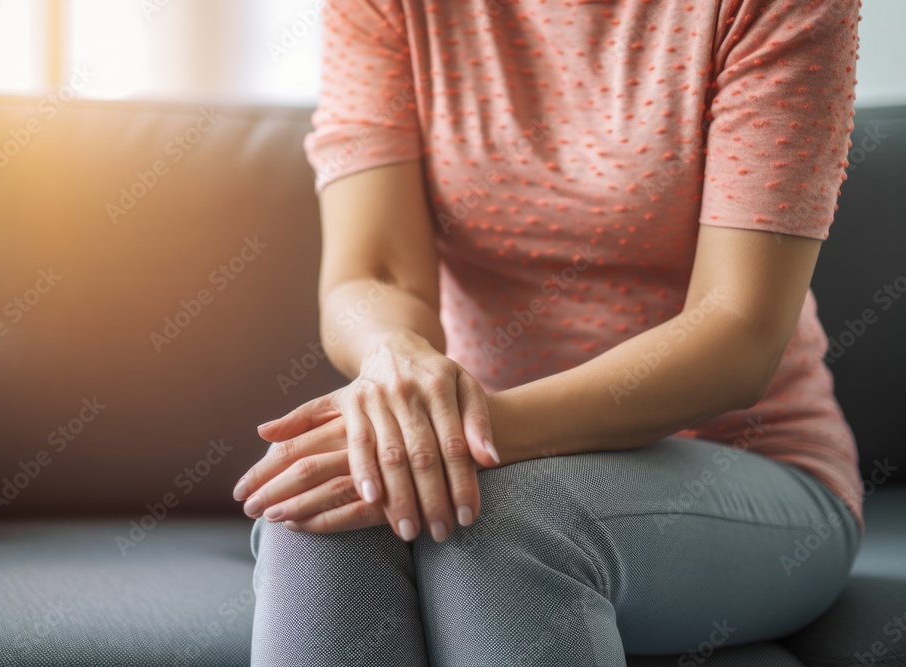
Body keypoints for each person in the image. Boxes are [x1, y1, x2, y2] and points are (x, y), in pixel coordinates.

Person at [234, 0, 864, 664]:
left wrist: (463, 438)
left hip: (750, 465)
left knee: (506, 525)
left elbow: (737, 333)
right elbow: (374, 274)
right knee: (322, 514)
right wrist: (397, 356)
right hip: (489, 445)